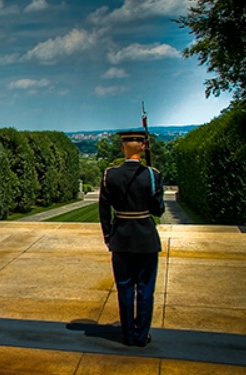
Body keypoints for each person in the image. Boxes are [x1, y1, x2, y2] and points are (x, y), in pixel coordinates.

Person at [98, 131, 165, 347]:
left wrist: (108, 235)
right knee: (145, 289)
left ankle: (127, 334)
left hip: (121, 238)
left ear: (122, 148)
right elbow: (158, 210)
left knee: (125, 288)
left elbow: (103, 209)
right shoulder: (152, 175)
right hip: (145, 237)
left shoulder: (110, 174)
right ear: (143, 147)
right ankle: (142, 334)